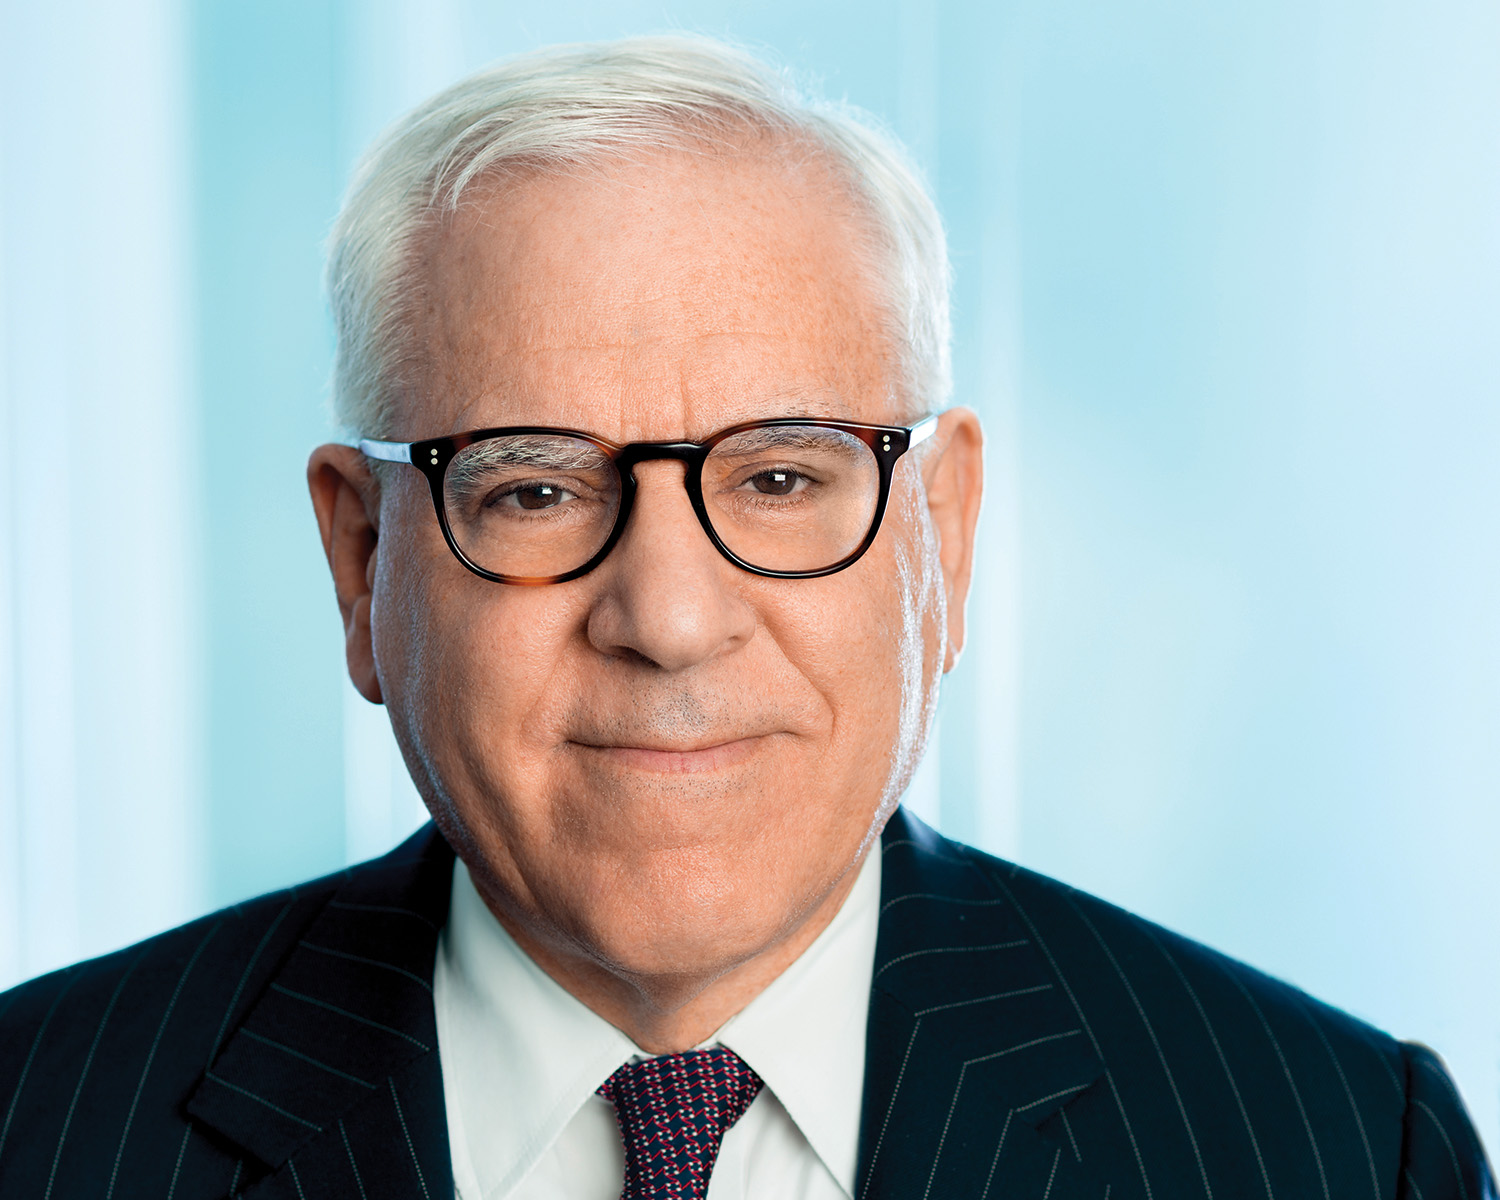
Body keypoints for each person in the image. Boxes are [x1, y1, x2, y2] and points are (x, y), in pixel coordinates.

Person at [0, 34, 1490, 1200]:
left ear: (943, 541)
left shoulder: (1346, 1150)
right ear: (360, 560)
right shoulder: (36, 1130)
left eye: (781, 477)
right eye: (533, 490)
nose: (667, 616)